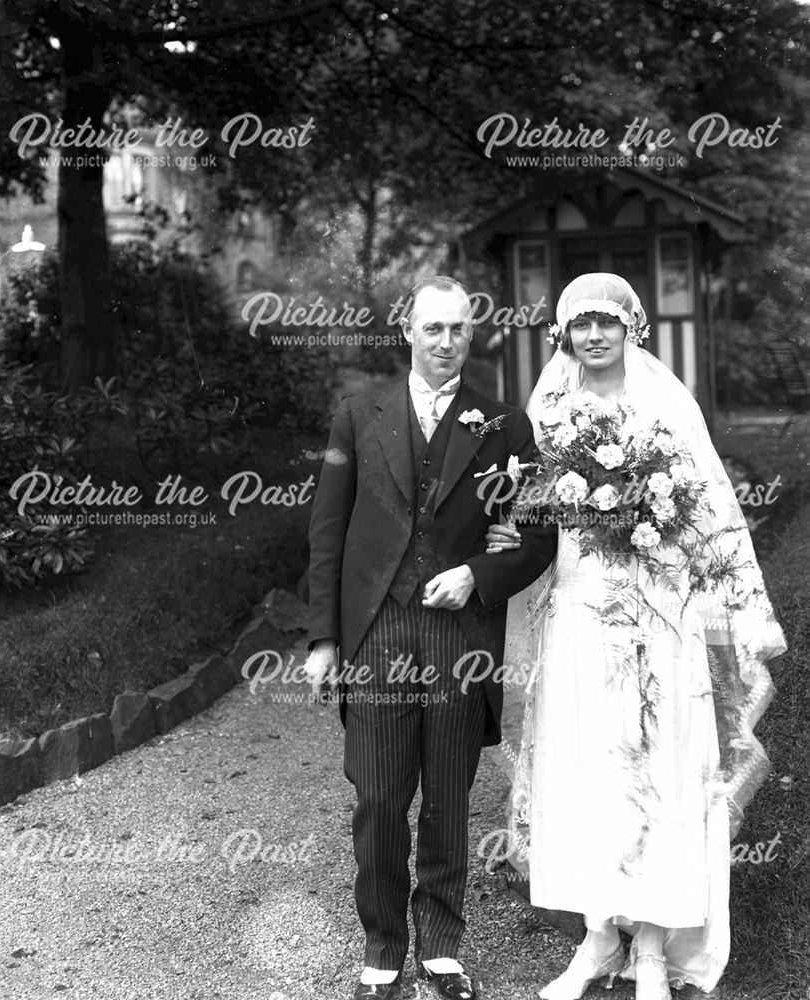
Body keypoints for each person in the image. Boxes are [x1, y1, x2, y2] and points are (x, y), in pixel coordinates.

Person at [486, 273, 786, 1000]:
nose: (593, 337)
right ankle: (594, 942)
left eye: (606, 325)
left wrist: (723, 606)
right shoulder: (549, 409)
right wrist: (504, 535)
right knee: (584, 772)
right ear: (562, 334)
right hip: (581, 618)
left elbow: (707, 515)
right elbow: (531, 515)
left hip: (660, 618)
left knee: (659, 772)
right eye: (579, 326)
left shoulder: (663, 405)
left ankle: (651, 949)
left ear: (630, 329)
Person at [305, 275, 557, 1000]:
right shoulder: (359, 414)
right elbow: (327, 529)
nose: (444, 342)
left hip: (457, 632)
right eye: (432, 329)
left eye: (457, 330)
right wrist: (324, 637)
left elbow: (538, 533)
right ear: (407, 331)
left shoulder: (504, 425)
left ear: (470, 336)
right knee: (380, 796)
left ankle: (441, 946)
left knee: (447, 795)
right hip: (379, 629)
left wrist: (478, 574)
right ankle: (382, 948)